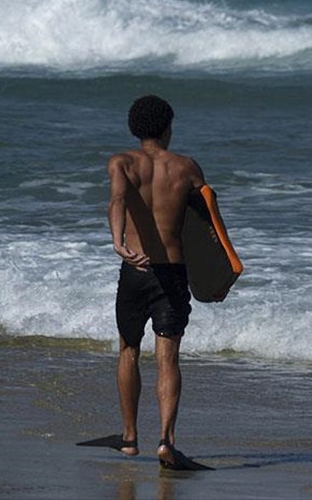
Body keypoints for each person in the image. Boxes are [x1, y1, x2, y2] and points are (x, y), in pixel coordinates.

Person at [106, 94, 206, 470]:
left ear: (134, 128)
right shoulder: (187, 168)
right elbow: (206, 227)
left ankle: (130, 438)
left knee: (129, 349)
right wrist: (219, 277)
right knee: (168, 357)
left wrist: (119, 243)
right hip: (172, 273)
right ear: (168, 128)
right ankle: (166, 440)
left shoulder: (122, 163)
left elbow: (117, 200)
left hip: (135, 269)